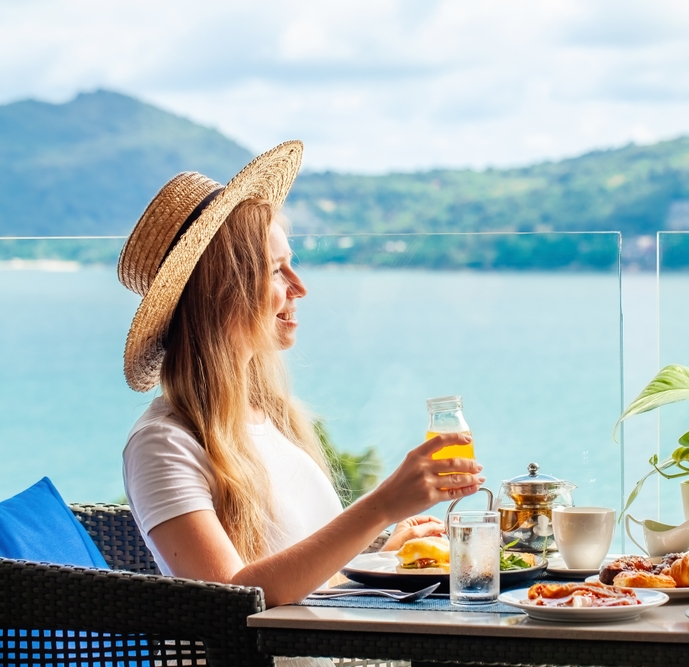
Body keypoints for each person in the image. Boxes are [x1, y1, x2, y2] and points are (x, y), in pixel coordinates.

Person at [119, 141, 483, 607]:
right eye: (275, 270)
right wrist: (381, 505)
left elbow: (302, 584)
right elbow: (232, 598)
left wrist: (382, 548)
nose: (299, 287)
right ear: (222, 291)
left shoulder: (266, 417)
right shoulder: (163, 444)